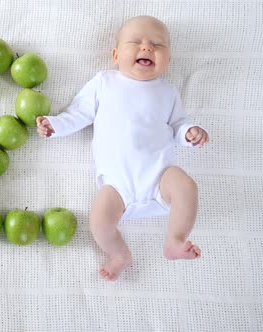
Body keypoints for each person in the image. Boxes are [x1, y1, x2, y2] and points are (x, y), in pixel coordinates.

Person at [36, 16, 209, 281]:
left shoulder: (168, 92)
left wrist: (190, 133)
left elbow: (178, 125)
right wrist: (55, 125)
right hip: (118, 186)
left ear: (168, 60)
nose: (146, 48)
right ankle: (119, 254)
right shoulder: (104, 82)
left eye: (157, 45)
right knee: (99, 220)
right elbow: (80, 113)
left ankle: (175, 240)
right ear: (116, 55)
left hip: (161, 175)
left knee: (187, 187)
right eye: (135, 43)